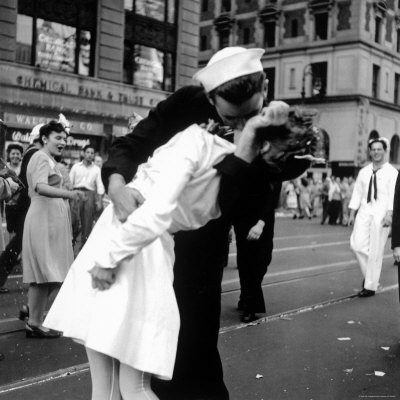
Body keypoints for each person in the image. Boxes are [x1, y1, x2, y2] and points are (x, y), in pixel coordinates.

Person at [44, 106, 318, 400]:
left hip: (130, 244)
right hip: (143, 247)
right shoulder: (234, 170)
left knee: (120, 386)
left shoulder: (205, 146)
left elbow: (158, 211)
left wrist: (111, 258)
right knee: (122, 385)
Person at [99, 46, 311, 400]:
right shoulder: (185, 104)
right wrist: (116, 182)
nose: (239, 124)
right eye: (230, 118)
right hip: (155, 235)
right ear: (210, 98)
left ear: (265, 86)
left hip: (207, 239)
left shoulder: (275, 120)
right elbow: (133, 142)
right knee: (141, 343)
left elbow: (274, 172)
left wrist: (278, 149)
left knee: (195, 345)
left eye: (249, 113)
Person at [22, 121, 81, 338]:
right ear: (45, 138)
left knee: (52, 273)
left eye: (65, 139)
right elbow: (40, 186)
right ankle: (34, 321)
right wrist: (69, 194)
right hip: (42, 219)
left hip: (50, 220)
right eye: (58, 138)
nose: (63, 142)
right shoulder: (39, 156)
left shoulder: (48, 159)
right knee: (44, 272)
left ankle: (34, 316)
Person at [349, 138, 398, 297]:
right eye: (373, 149)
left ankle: (370, 286)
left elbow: (394, 196)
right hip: (364, 211)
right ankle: (371, 278)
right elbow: (357, 192)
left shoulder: (392, 172)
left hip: (382, 213)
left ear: (384, 151)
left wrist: (390, 214)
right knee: (356, 245)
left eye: (379, 149)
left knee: (376, 251)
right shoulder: (364, 171)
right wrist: (351, 212)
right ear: (369, 152)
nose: (376, 152)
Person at [0, 126, 43, 294]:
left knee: (18, 244)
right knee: (18, 244)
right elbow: (27, 184)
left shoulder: (32, 152)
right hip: (27, 206)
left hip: (24, 205)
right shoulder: (34, 153)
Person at [70, 145, 105, 249]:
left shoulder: (96, 169)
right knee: (74, 220)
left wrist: (99, 201)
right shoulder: (76, 166)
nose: (90, 155)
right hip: (76, 193)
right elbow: (70, 182)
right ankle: (70, 243)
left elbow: (100, 186)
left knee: (87, 221)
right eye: (88, 152)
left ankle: (83, 247)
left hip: (89, 194)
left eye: (92, 153)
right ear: (83, 153)